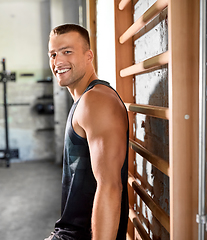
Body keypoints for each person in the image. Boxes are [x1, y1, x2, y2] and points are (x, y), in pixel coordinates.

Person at [45, 24, 129, 240]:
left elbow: (110, 187)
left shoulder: (96, 100)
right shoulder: (83, 101)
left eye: (67, 52)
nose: (58, 61)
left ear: (88, 55)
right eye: (53, 54)